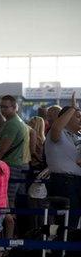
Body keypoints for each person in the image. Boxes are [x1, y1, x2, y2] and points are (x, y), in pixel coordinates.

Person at [45, 96, 81, 228]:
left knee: (74, 221)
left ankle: (69, 247)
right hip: (64, 182)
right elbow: (56, 128)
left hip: (76, 182)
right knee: (67, 222)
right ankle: (60, 248)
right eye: (77, 116)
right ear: (66, 117)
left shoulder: (77, 136)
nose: (80, 119)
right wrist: (73, 108)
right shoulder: (57, 134)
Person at [0, 95, 31, 239]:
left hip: (10, 166)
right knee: (10, 202)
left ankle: (9, 239)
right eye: (1, 107)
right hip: (16, 166)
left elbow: (2, 149)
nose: (3, 109)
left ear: (14, 107)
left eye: (6, 107)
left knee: (7, 202)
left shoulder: (12, 124)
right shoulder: (17, 122)